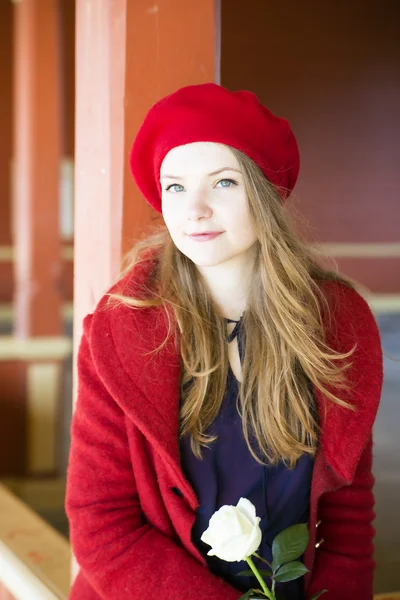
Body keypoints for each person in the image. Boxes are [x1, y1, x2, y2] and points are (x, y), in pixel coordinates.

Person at [65, 83, 383, 600]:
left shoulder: (337, 326)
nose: (195, 210)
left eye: (224, 183)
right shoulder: (120, 331)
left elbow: (349, 526)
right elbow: (102, 525)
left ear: (264, 191)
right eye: (175, 187)